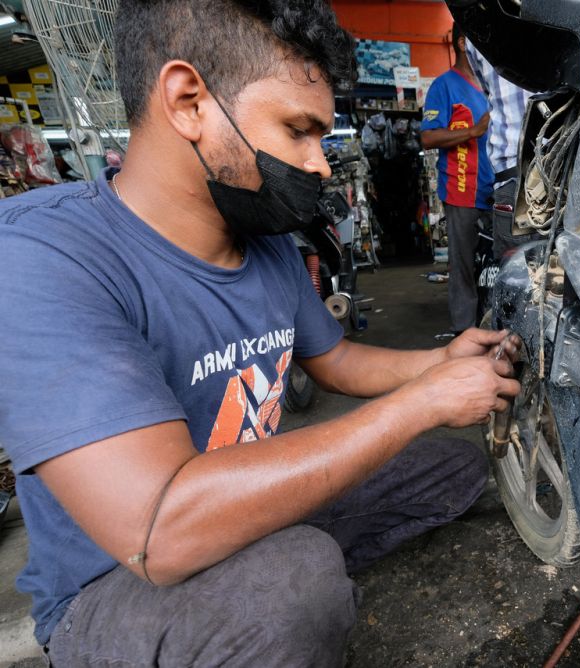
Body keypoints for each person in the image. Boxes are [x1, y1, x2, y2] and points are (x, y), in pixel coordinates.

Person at [0, 1, 520, 665]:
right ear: (189, 101)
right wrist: (420, 404)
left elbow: (335, 360)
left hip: (242, 510)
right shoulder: (44, 256)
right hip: (115, 582)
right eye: (299, 130)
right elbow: (156, 529)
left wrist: (441, 363)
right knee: (293, 583)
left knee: (456, 468)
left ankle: (273, 588)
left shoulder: (263, 240)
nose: (322, 165)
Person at [420, 25, 493, 336]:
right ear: (463, 43)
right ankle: (464, 333)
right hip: (462, 191)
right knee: (462, 267)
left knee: (494, 267)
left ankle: (492, 326)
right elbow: (428, 136)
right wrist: (472, 132)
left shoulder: (491, 85)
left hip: (497, 190)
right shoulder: (443, 86)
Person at [465, 40, 537, 258]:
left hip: (512, 177)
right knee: (566, 278)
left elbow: (486, 87)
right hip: (563, 175)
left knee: (517, 279)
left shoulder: (478, 29)